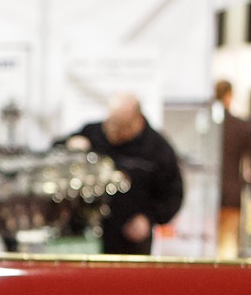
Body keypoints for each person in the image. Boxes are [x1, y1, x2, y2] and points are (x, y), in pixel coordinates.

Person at [60, 93, 184, 256]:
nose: (111, 131)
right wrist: (70, 144)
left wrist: (148, 219)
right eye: (109, 123)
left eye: (120, 127)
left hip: (130, 241)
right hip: (86, 237)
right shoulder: (93, 132)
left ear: (137, 121)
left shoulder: (157, 149)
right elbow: (55, 149)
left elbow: (173, 194)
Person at [214, 80, 251, 259]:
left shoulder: (207, 124)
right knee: (228, 245)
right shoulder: (240, 126)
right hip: (231, 193)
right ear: (229, 96)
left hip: (206, 195)